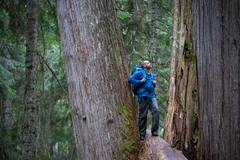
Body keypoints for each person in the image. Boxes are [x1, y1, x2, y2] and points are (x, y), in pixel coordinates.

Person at [128, 60, 159, 140]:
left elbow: (150, 86)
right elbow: (130, 80)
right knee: (143, 115)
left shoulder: (152, 75)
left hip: (152, 96)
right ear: (144, 65)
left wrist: (154, 84)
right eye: (148, 63)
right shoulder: (140, 73)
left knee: (156, 111)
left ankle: (154, 131)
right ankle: (142, 134)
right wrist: (140, 81)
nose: (150, 64)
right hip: (143, 96)